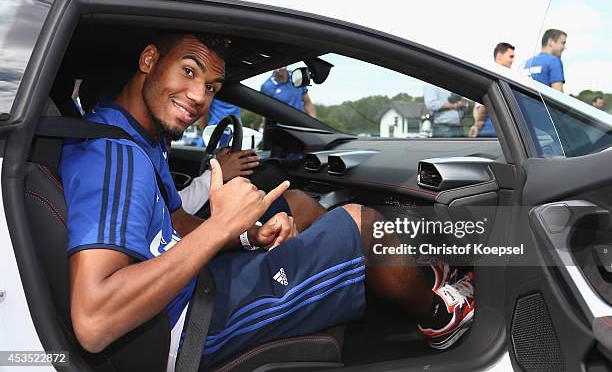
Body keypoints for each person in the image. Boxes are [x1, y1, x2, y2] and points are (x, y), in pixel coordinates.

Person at [60, 32, 474, 369]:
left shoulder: (139, 136)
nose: (198, 97)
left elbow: (176, 224)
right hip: (187, 326)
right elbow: (95, 321)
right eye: (188, 71)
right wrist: (223, 225)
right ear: (149, 59)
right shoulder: (114, 156)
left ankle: (415, 280)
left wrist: (249, 237)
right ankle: (439, 317)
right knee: (361, 223)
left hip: (187, 287)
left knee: (296, 203)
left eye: (209, 87)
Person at [469, 42, 515, 137]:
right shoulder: (493, 77)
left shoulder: (495, 77)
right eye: (511, 56)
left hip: (495, 133)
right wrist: (477, 124)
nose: (513, 60)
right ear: (499, 56)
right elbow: (482, 107)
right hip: (493, 134)